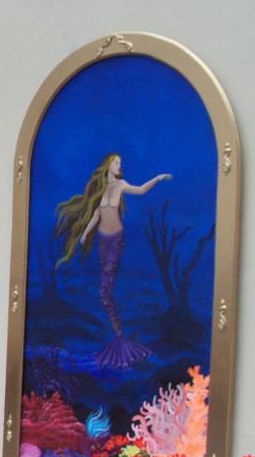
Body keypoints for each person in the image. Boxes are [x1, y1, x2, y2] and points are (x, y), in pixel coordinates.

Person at [54, 153, 171, 369]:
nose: (119, 166)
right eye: (117, 162)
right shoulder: (103, 190)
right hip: (102, 241)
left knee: (104, 291)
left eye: (120, 163)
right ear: (108, 165)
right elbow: (96, 216)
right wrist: (84, 234)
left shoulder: (120, 185)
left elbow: (141, 190)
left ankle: (120, 336)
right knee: (104, 290)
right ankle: (117, 334)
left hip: (115, 240)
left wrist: (157, 178)